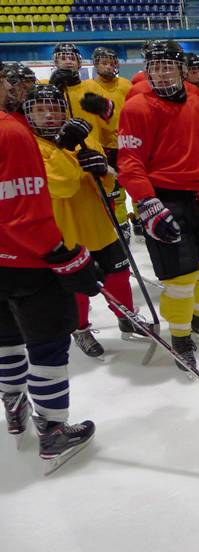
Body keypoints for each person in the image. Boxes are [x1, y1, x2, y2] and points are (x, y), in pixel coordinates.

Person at [0, 65, 103, 472]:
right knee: (47, 343)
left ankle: (13, 406)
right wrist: (63, 253)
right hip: (28, 261)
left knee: (6, 337)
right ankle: (54, 429)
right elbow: (23, 208)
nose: (14, 87)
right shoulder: (11, 132)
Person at [117, 40, 199, 371]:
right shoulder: (136, 108)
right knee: (181, 278)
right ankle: (180, 335)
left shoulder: (197, 100)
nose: (162, 73)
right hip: (165, 198)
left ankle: (195, 317)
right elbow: (130, 163)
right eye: (155, 66)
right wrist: (147, 203)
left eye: (168, 66)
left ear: (182, 69)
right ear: (147, 70)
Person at [23, 84, 142, 360]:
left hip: (99, 225)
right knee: (77, 289)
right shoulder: (31, 146)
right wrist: (65, 149)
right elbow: (62, 185)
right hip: (67, 231)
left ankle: (126, 317)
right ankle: (80, 329)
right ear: (29, 114)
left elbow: (106, 182)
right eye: (41, 110)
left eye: (53, 109)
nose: (49, 116)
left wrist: (102, 169)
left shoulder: (81, 135)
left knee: (118, 276)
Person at [85, 47, 134, 241]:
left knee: (135, 184)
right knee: (116, 191)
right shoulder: (88, 86)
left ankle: (139, 218)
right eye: (103, 62)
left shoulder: (126, 84)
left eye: (111, 62)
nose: (108, 65)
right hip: (106, 146)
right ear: (95, 64)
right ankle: (121, 223)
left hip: (129, 144)